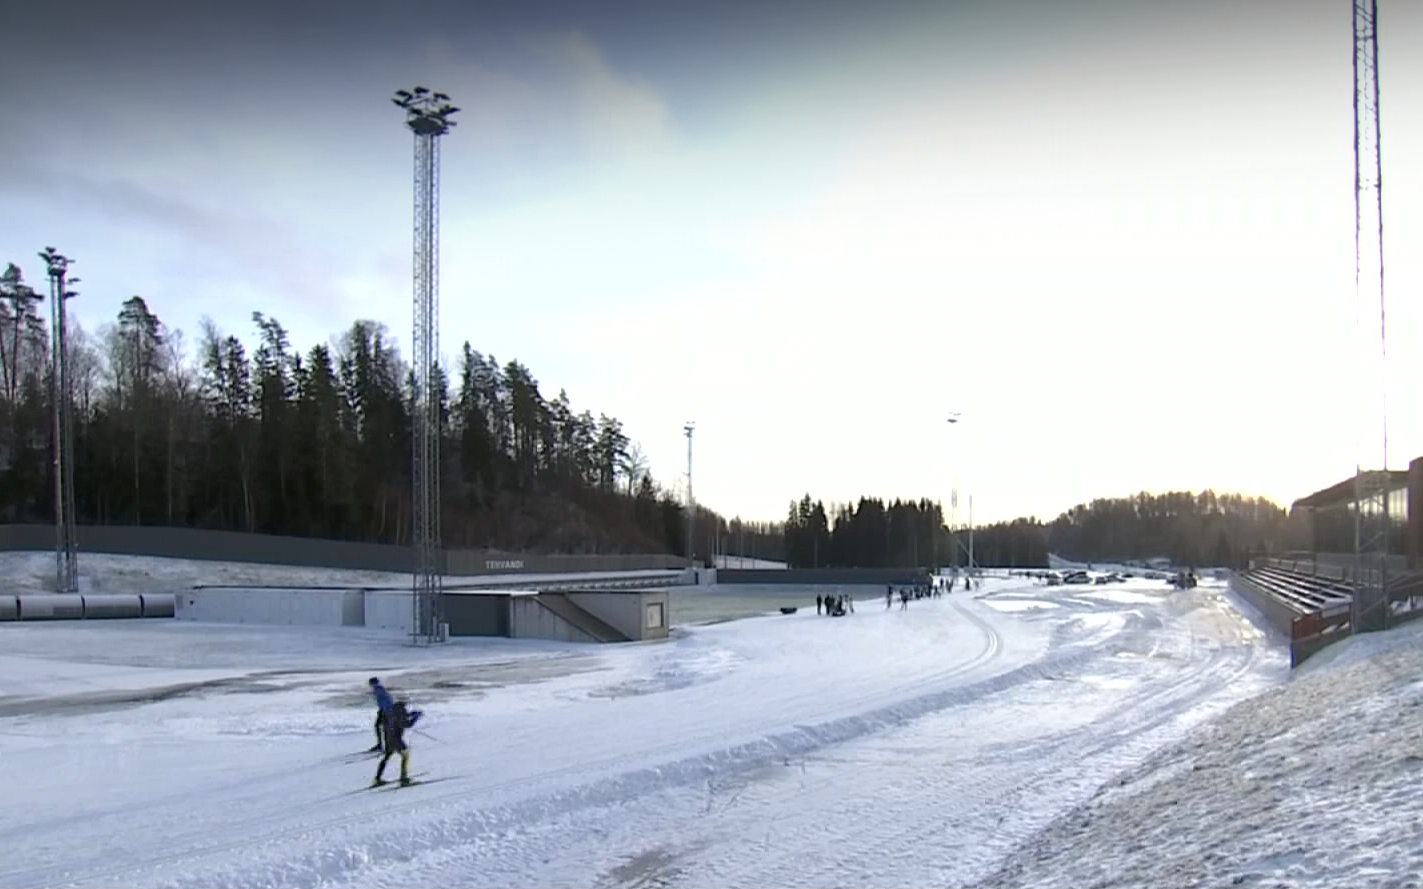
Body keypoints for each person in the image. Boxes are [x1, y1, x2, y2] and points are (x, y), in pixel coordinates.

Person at [374, 699, 423, 787]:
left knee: (387, 757)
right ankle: (403, 779)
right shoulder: (400, 712)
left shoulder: (390, 714)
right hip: (397, 740)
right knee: (405, 756)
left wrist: (411, 714)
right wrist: (416, 717)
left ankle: (377, 779)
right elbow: (407, 724)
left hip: (388, 739)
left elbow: (401, 718)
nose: (406, 709)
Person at [367, 677, 394, 753]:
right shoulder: (379, 688)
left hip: (386, 711)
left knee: (382, 728)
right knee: (379, 727)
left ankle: (384, 746)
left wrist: (384, 710)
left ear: (373, 683)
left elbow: (386, 700)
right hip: (386, 710)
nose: (369, 685)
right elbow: (387, 699)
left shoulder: (378, 689)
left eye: (370, 683)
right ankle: (382, 745)